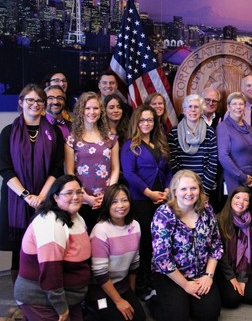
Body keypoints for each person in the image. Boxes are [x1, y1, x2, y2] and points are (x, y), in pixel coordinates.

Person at [0, 84, 64, 283]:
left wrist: (41, 197)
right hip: (16, 200)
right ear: (21, 103)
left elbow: (56, 167)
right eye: (30, 100)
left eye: (39, 101)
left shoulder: (54, 132)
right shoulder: (8, 132)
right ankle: (21, 301)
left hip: (44, 199)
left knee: (45, 248)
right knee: (19, 252)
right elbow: (4, 168)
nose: (34, 104)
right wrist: (27, 196)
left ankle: (43, 297)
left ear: (44, 105)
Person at [14, 175, 91, 321]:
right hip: (41, 300)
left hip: (69, 298)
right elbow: (51, 272)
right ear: (55, 197)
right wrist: (61, 308)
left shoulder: (76, 217)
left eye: (79, 192)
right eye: (69, 193)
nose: (76, 197)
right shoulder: (50, 223)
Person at [151, 170, 223, 321]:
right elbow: (162, 259)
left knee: (210, 314)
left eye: (193, 188)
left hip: (200, 274)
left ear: (199, 190)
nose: (189, 193)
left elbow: (216, 244)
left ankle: (185, 301)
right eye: (183, 189)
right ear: (175, 191)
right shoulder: (164, 214)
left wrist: (208, 276)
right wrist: (185, 285)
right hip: (171, 276)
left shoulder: (207, 210)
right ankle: (155, 299)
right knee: (178, 317)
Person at [121, 104, 171, 300]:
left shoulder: (160, 142)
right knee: (144, 243)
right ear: (136, 122)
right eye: (142, 120)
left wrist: (167, 190)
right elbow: (129, 174)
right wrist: (149, 193)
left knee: (160, 242)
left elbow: (168, 170)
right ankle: (142, 285)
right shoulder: (130, 146)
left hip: (162, 199)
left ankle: (157, 281)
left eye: (150, 120)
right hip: (142, 200)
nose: (146, 123)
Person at [86, 184, 146, 321]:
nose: (121, 205)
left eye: (124, 200)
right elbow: (100, 274)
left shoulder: (135, 225)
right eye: (114, 201)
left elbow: (134, 264)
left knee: (139, 318)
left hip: (121, 284)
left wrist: (131, 294)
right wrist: (119, 301)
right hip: (99, 287)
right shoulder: (101, 230)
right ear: (107, 205)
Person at [65, 92, 120, 231]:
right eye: (87, 108)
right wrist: (86, 197)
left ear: (101, 112)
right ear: (81, 111)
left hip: (106, 200)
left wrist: (108, 194)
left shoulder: (111, 138)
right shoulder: (72, 139)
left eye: (95, 108)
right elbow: (70, 173)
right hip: (80, 200)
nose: (92, 112)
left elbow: (115, 169)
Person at [216, 187, 252, 308]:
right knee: (232, 300)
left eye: (245, 200)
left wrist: (242, 279)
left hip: (243, 268)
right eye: (237, 197)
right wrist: (232, 278)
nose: (241, 202)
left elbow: (250, 252)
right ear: (230, 199)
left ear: (249, 204)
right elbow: (220, 254)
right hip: (224, 269)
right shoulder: (219, 220)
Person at [168, 94, 218, 195]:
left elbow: (213, 164)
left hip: (204, 188)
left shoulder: (210, 132)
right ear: (184, 110)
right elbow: (173, 163)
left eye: (196, 107)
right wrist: (182, 188)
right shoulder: (174, 133)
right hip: (181, 189)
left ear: (201, 110)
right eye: (190, 106)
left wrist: (203, 191)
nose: (193, 110)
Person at [217, 92, 252, 193]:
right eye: (234, 104)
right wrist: (243, 177)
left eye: (241, 104)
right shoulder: (223, 127)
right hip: (235, 179)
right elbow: (223, 156)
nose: (238, 107)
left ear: (245, 107)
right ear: (228, 107)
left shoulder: (250, 129)